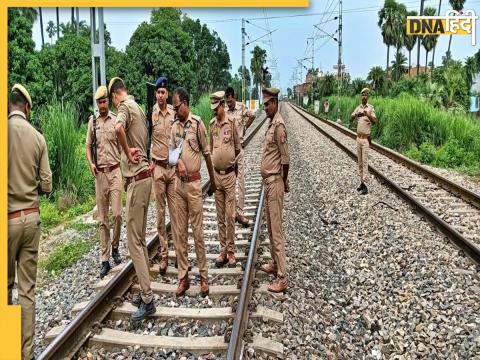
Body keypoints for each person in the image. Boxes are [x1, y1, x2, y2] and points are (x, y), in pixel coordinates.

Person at [8, 84, 52, 359]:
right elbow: (47, 184)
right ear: (26, 106)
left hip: (7, 219)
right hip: (31, 218)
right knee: (27, 292)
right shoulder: (37, 137)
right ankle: (26, 354)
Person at [109, 77, 155, 321]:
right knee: (140, 240)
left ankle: (148, 300)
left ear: (116, 95)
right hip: (145, 179)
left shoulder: (125, 107)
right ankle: (145, 292)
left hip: (137, 180)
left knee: (134, 243)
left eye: (112, 100)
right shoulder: (137, 106)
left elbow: (118, 128)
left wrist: (126, 152)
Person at [170, 87, 216, 297]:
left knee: (197, 233)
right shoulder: (174, 127)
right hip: (178, 186)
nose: (174, 110)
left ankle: (204, 277)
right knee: (179, 234)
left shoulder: (197, 125)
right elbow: (171, 155)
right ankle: (183, 277)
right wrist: (177, 161)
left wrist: (213, 181)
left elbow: (207, 155)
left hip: (195, 185)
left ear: (185, 104)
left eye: (177, 106)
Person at [86, 85, 123, 279]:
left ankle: (115, 246)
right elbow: (87, 147)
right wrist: (91, 164)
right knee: (103, 220)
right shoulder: (92, 123)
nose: (102, 105)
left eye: (104, 101)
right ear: (97, 103)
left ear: (108, 101)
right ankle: (105, 259)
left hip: (116, 171)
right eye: (99, 102)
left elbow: (123, 145)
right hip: (100, 175)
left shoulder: (116, 120)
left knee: (117, 214)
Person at [259, 88, 290, 293]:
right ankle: (274, 263)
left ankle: (282, 277)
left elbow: (285, 159)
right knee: (270, 227)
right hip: (268, 182)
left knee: (276, 231)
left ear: (275, 102)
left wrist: (283, 180)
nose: (264, 107)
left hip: (275, 182)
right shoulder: (271, 123)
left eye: (267, 104)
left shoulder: (279, 126)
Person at [209, 91, 241, 268]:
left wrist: (228, 163)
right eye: (212, 108)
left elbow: (237, 148)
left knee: (230, 215)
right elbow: (212, 148)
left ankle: (231, 251)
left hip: (229, 175)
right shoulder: (212, 125)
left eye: (216, 107)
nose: (214, 111)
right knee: (219, 216)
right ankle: (222, 251)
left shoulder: (232, 123)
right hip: (216, 176)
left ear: (222, 105)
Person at [149, 76, 176, 275]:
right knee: (160, 215)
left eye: (163, 92)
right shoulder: (151, 114)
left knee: (176, 215)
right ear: (156, 94)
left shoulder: (174, 114)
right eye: (158, 92)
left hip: (173, 170)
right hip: (158, 169)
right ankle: (164, 255)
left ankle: (180, 255)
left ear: (167, 93)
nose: (160, 95)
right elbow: (146, 138)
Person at [225, 86, 256, 227]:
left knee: (241, 181)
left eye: (230, 101)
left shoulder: (241, 107)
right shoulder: (224, 110)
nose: (229, 103)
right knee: (229, 181)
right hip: (228, 150)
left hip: (240, 150)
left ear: (234, 98)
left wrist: (244, 128)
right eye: (227, 101)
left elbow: (253, 115)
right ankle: (231, 211)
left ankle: (240, 211)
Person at [350, 88, 377, 195]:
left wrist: (367, 114)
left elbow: (375, 121)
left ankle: (365, 186)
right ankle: (361, 182)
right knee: (360, 163)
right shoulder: (358, 108)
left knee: (365, 162)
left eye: (366, 95)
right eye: (362, 95)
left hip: (365, 139)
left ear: (368, 97)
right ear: (360, 97)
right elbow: (350, 119)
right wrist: (354, 115)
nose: (364, 97)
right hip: (358, 139)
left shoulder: (370, 108)